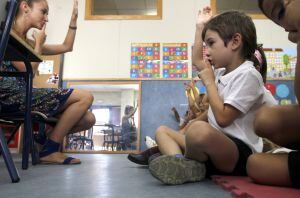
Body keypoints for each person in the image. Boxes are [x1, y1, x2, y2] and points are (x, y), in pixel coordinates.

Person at [148, 7, 277, 185]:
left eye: (211, 43)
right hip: (213, 145)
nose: (206, 51)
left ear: (235, 42)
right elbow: (197, 61)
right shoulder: (221, 71)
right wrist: (200, 27)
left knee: (198, 129)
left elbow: (223, 118)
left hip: (238, 151)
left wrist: (209, 83)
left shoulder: (249, 75)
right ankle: (181, 162)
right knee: (162, 131)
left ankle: (189, 164)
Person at [0, 0, 95, 164]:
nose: (47, 18)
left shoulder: (26, 42)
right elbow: (28, 70)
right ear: (25, 7)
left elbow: (67, 47)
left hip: (26, 94)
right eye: (43, 11)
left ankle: (42, 141)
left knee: (88, 119)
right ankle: (49, 151)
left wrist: (73, 21)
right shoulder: (7, 35)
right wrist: (38, 44)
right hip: (10, 96)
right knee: (85, 97)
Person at [246, 0, 300, 188]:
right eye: (281, 11)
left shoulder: (248, 78)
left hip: (239, 146)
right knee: (255, 164)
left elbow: (221, 116)